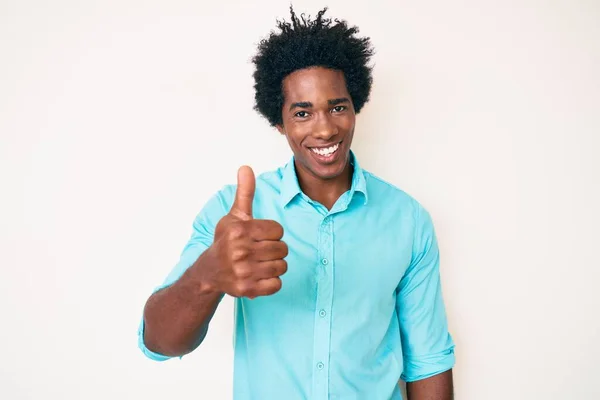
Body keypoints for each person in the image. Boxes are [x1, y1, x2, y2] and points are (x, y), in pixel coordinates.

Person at [138, 6, 455, 400]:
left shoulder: (407, 220)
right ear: (279, 122)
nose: (325, 128)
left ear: (356, 107)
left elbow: (428, 360)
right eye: (302, 113)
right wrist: (209, 273)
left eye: (337, 107)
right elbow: (159, 342)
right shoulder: (232, 216)